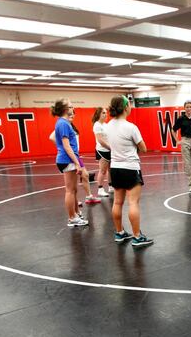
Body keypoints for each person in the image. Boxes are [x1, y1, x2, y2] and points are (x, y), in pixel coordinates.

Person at [105, 95, 153, 247]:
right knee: (133, 203)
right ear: (125, 107)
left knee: (117, 202)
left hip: (115, 168)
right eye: (130, 104)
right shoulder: (131, 127)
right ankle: (137, 236)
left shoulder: (108, 126)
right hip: (130, 168)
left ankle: (119, 233)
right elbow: (143, 148)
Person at [50, 111, 101, 207]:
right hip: (70, 156)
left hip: (75, 155)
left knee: (85, 175)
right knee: (73, 184)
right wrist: (62, 147)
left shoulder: (70, 126)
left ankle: (88, 196)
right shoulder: (63, 125)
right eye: (70, 113)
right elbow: (52, 137)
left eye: (73, 113)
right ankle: (78, 200)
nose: (72, 115)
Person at [51, 98, 88, 227]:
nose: (73, 109)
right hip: (67, 160)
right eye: (71, 106)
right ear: (66, 109)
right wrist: (77, 162)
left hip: (66, 160)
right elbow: (67, 146)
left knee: (72, 190)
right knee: (70, 191)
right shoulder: (64, 124)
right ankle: (72, 218)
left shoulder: (62, 123)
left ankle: (74, 215)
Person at [92, 107, 113, 197]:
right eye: (103, 113)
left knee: (110, 170)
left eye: (106, 113)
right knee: (103, 171)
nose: (105, 114)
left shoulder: (105, 124)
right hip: (102, 150)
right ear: (98, 114)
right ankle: (100, 189)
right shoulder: (97, 125)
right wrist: (110, 147)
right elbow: (100, 140)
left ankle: (111, 187)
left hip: (109, 150)